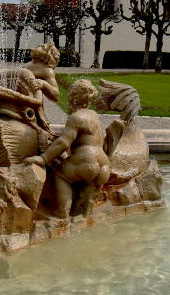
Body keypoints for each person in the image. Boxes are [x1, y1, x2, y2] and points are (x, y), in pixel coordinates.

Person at [25, 79, 110, 218]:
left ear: (73, 99)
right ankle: (83, 217)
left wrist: (43, 158)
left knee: (60, 175)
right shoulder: (93, 115)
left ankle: (62, 213)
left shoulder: (75, 118)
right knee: (86, 201)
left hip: (86, 162)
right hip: (104, 166)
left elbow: (63, 142)